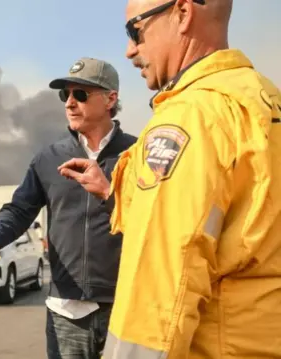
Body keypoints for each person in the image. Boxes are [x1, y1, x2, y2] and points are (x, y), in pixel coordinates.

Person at [59, 0, 281, 358]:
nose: (130, 50)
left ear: (182, 13)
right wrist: (113, 190)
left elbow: (161, 291)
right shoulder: (264, 100)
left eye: (135, 30)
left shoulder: (189, 117)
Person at [0, 58, 137, 359]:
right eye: (65, 95)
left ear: (111, 98)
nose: (70, 103)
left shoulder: (138, 154)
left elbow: (158, 221)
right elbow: (19, 209)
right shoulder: (48, 158)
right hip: (65, 313)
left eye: (80, 94)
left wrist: (109, 193)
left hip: (127, 309)